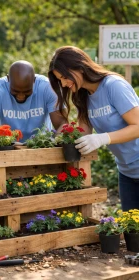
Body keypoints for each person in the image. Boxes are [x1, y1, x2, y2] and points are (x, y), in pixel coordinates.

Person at [48, 45, 139, 211]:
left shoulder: (113, 86)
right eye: (59, 80)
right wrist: (59, 139)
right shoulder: (83, 96)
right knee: (132, 230)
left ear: (79, 67)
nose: (63, 83)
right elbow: (83, 134)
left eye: (64, 77)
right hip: (127, 171)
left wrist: (103, 138)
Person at [0, 60, 67, 144]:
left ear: (34, 80)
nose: (21, 97)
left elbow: (62, 124)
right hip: (8, 149)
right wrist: (3, 145)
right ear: (8, 79)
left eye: (27, 92)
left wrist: (53, 141)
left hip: (42, 146)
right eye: (15, 91)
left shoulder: (48, 88)